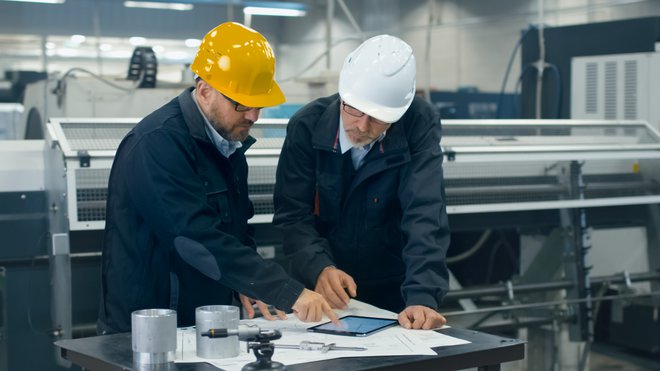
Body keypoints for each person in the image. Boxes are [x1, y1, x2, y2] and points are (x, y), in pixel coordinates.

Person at [97, 22, 337, 334]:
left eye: (258, 104)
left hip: (204, 321)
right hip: (150, 327)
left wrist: (247, 284)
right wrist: (286, 290)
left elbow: (235, 230)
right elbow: (194, 237)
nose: (253, 115)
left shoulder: (227, 141)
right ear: (205, 90)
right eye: (242, 103)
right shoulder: (157, 144)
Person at [273, 35, 450, 330]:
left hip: (393, 290)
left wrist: (422, 295)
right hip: (320, 294)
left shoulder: (418, 122)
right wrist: (319, 266)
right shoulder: (307, 126)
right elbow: (293, 217)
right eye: (354, 109)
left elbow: (425, 213)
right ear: (343, 95)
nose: (362, 125)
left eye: (379, 117)